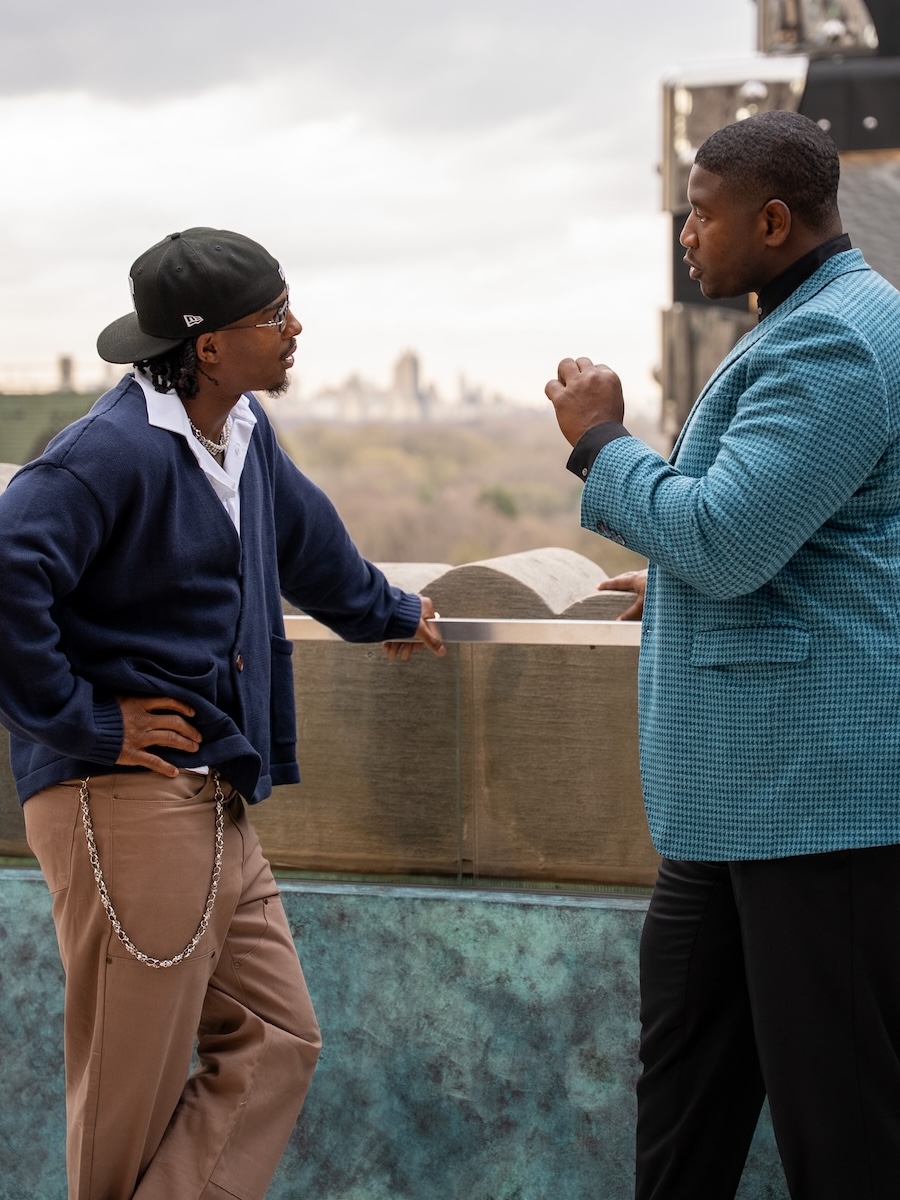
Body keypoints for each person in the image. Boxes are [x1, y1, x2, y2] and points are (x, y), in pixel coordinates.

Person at [0, 226, 445, 1200]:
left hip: (213, 792)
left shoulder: (241, 433)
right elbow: (7, 577)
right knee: (131, 1101)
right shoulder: (106, 454)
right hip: (124, 800)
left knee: (280, 1040)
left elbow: (309, 544)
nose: (296, 329)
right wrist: (86, 721)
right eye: (273, 317)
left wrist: (393, 611)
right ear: (207, 345)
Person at [546, 110, 900, 1200]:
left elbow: (730, 537)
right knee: (686, 1103)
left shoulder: (835, 337)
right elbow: (803, 530)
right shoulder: (816, 318)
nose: (687, 238)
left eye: (702, 216)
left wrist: (602, 443)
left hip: (817, 807)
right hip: (738, 806)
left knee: (843, 1130)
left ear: (775, 218)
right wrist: (680, 586)